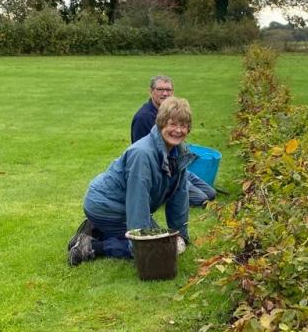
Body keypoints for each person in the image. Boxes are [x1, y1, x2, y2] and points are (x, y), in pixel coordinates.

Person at [68, 97, 194, 266]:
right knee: (155, 248)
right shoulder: (141, 154)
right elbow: (137, 200)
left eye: (183, 125)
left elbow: (180, 196)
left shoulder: (180, 152)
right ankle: (90, 245)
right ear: (161, 123)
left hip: (121, 204)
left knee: (166, 241)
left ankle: (98, 230)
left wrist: (181, 236)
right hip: (104, 204)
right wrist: (141, 247)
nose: (178, 130)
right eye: (172, 124)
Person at [131, 75, 216, 207]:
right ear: (151, 91)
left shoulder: (173, 112)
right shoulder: (144, 117)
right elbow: (141, 152)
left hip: (176, 167)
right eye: (160, 89)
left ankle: (175, 189)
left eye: (169, 90)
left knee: (211, 193)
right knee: (201, 199)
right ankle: (164, 193)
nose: (165, 93)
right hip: (161, 172)